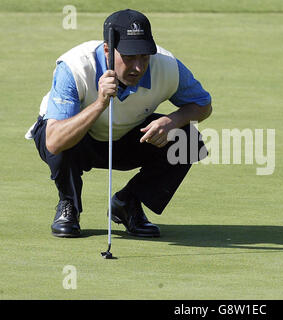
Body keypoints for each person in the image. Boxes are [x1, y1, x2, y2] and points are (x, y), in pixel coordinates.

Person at [25, 9, 212, 238]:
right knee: (61, 139)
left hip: (125, 137)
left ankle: (127, 204)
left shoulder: (167, 66)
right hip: (78, 142)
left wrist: (172, 121)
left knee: (188, 141)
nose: (138, 67)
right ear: (107, 50)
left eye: (144, 56)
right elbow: (53, 141)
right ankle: (69, 205)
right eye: (129, 57)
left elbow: (203, 105)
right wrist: (100, 103)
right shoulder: (75, 67)